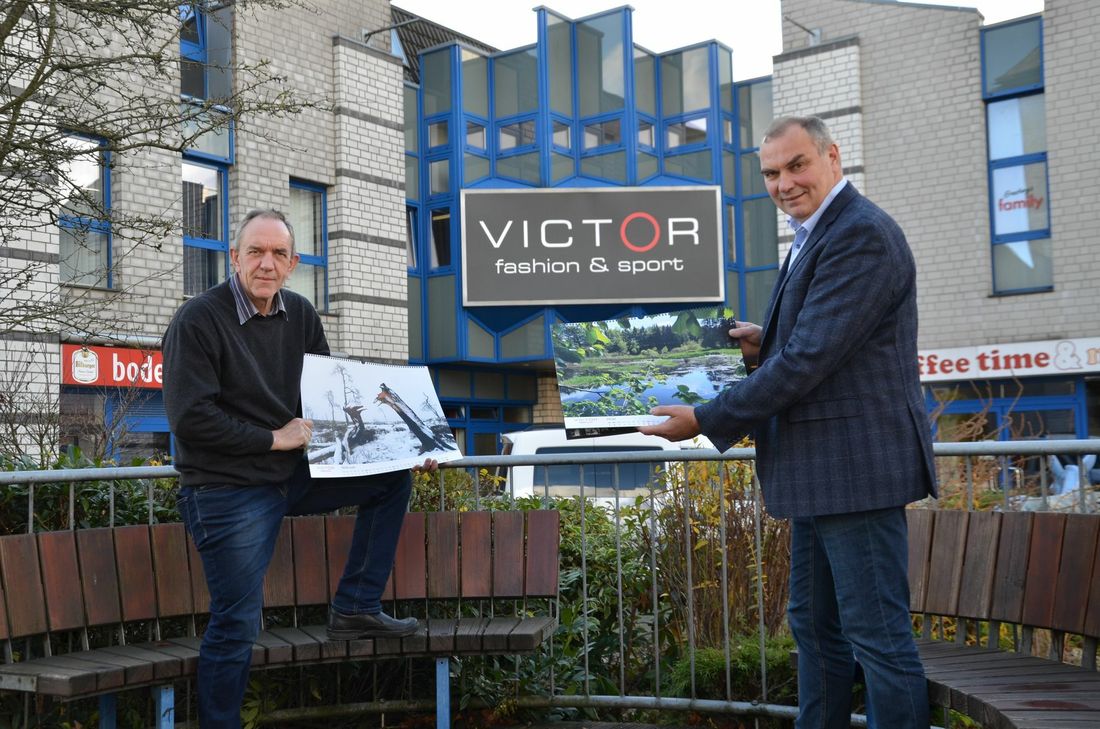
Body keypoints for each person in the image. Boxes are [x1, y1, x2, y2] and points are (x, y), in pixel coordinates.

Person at [641, 116, 936, 729]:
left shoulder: (860, 233)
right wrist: (762, 345)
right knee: (815, 629)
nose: (784, 183)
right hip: (820, 473)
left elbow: (809, 359)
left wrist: (705, 418)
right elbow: (815, 347)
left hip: (855, 472)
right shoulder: (817, 232)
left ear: (832, 156)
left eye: (797, 165)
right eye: (771, 173)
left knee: (877, 637)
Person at [163, 209, 437, 728]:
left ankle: (355, 607)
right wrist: (273, 438)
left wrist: (403, 447)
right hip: (227, 489)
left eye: (279, 254)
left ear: (292, 264)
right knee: (237, 624)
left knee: (390, 480)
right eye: (256, 252)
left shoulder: (302, 315)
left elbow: (328, 401)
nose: (266, 264)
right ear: (235, 257)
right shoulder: (198, 319)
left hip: (290, 477)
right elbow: (190, 419)